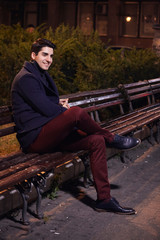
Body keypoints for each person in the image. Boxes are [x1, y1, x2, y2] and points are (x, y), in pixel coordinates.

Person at [11, 38, 140, 215]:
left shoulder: (38, 75)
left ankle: (104, 199)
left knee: (95, 141)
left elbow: (44, 101)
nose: (49, 59)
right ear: (33, 55)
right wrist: (59, 107)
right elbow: (46, 109)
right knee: (76, 113)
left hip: (49, 135)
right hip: (35, 139)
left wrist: (56, 103)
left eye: (51, 56)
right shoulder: (25, 78)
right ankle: (111, 138)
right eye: (44, 55)